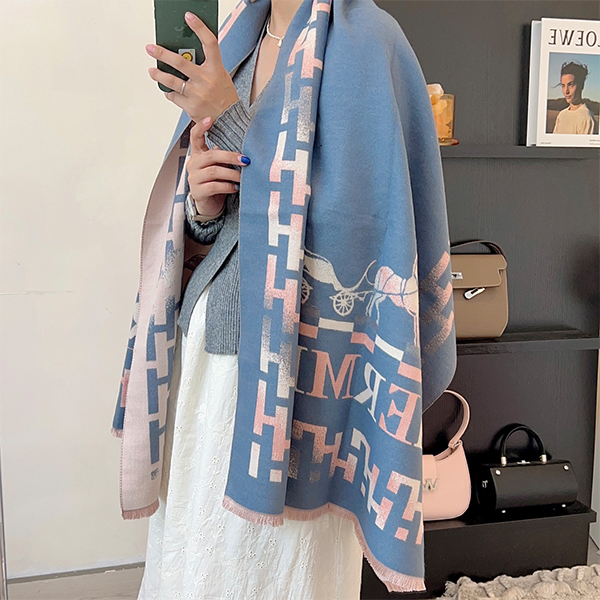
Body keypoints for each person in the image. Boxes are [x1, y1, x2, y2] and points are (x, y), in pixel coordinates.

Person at [136, 1, 364, 597]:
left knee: (279, 565)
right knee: (201, 555)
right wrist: (202, 204)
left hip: (304, 361)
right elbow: (228, 219)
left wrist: (228, 112)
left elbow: (353, 225)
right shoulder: (238, 39)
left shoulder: (367, 45)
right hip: (212, 346)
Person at [552, 61, 595, 135]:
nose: (566, 91)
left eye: (570, 85)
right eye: (563, 85)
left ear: (581, 85)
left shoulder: (586, 118)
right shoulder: (561, 115)